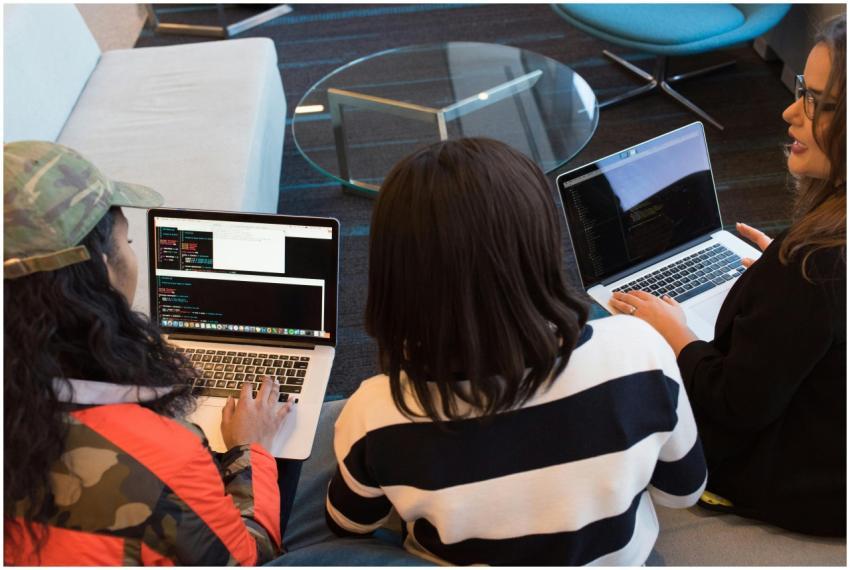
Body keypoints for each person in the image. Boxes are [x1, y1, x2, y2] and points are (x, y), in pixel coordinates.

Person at [322, 138, 707, 565]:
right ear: (541, 245)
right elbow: (683, 491)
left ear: (394, 274)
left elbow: (348, 523)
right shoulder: (641, 349)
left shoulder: (376, 412)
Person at [609, 15, 846, 537]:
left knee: (621, 363)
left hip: (807, 484)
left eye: (819, 104)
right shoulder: (820, 258)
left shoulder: (813, 265)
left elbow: (736, 406)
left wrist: (676, 334)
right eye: (802, 90)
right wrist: (777, 288)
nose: (789, 111)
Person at [3, 141, 294, 564]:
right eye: (128, 241)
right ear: (102, 268)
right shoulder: (162, 462)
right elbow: (245, 557)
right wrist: (251, 449)